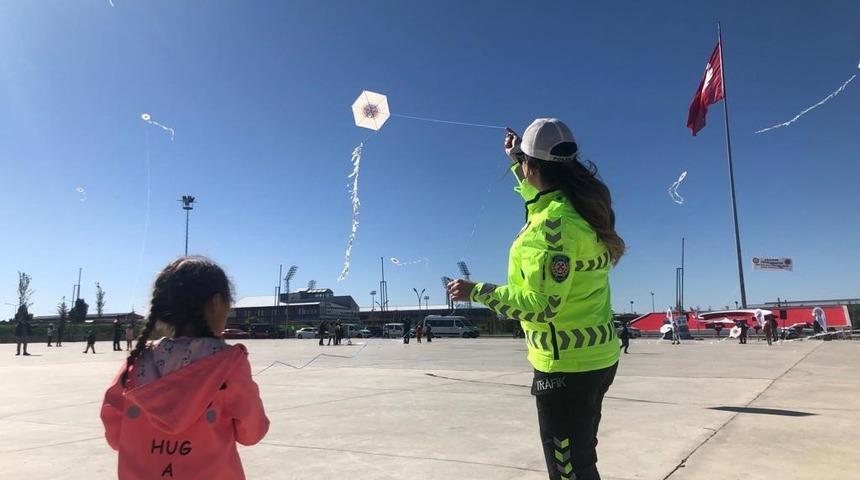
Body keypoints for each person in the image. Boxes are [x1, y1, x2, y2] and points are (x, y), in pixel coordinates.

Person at [447, 119, 624, 480]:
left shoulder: (550, 229)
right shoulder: (576, 209)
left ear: (534, 167)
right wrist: (517, 159)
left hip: (565, 369)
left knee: (569, 470)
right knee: (581, 457)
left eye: (525, 163)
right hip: (598, 358)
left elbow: (543, 306)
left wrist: (477, 291)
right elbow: (539, 200)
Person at [100, 256, 269, 479]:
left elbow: (115, 435)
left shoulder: (139, 359)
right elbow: (252, 433)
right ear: (216, 304)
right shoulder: (227, 364)